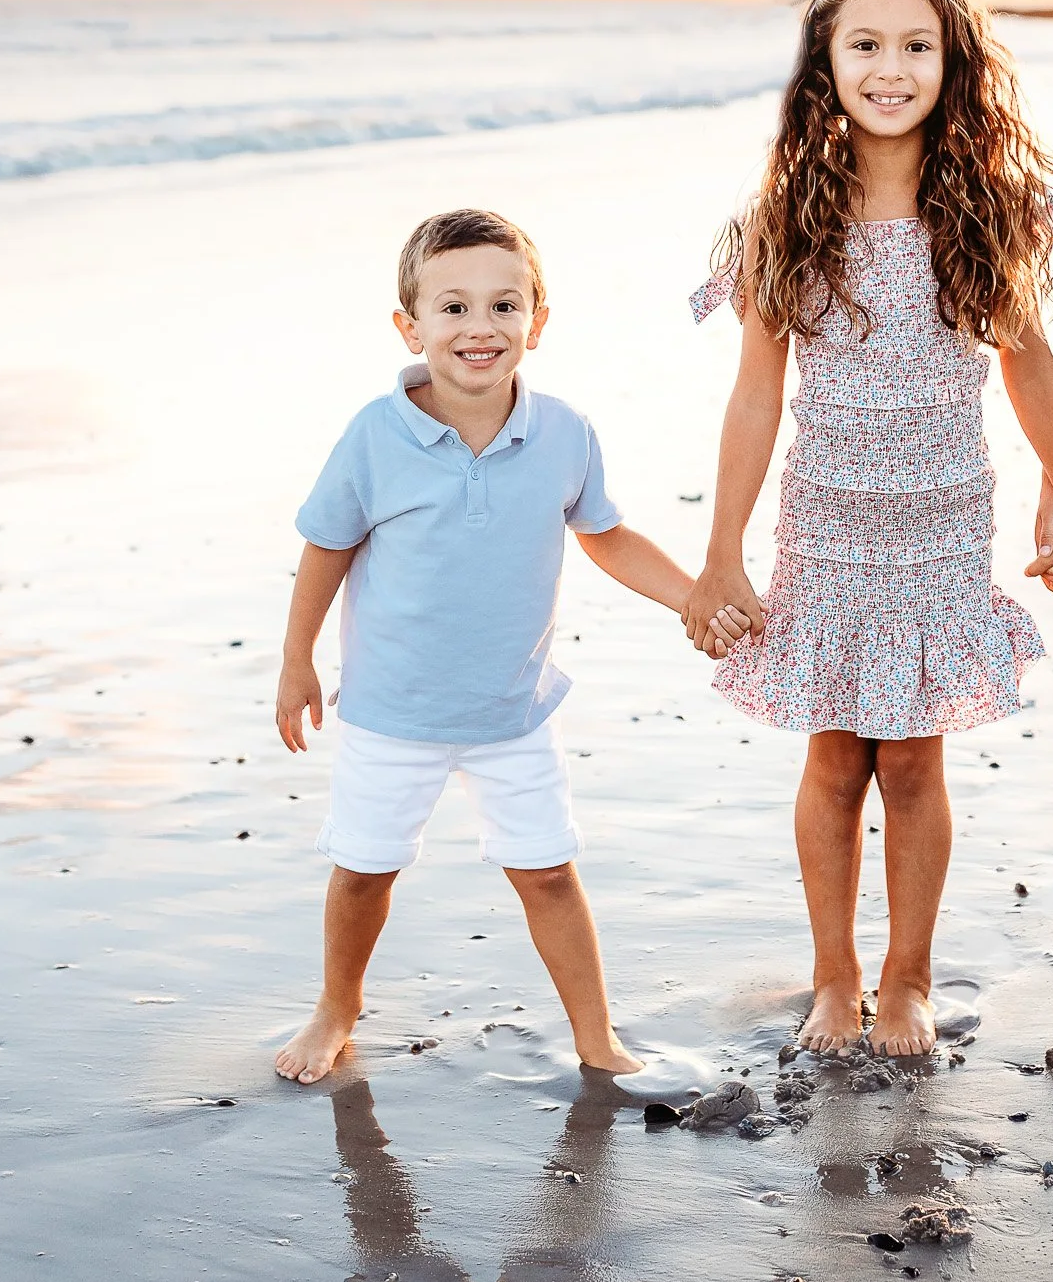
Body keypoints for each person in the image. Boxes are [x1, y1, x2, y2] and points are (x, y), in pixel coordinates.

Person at [683, 0, 1053, 1057]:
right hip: (825, 528)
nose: (890, 66)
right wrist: (721, 551)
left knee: (913, 758)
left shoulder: (986, 207)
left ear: (952, 61)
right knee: (833, 755)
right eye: (863, 43)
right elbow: (755, 395)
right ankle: (834, 976)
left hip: (940, 524)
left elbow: (1029, 366)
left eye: (916, 44)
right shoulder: (785, 216)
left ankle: (907, 979)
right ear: (824, 62)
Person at [272, 209, 746, 1085]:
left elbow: (605, 534)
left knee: (549, 873)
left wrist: (695, 598)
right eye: (452, 308)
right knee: (364, 871)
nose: (479, 327)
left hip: (513, 712)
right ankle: (338, 1005)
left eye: (504, 304)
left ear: (539, 318)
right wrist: (297, 658)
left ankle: (597, 1035)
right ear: (409, 325)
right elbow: (326, 547)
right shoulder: (376, 435)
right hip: (393, 713)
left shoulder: (563, 430)